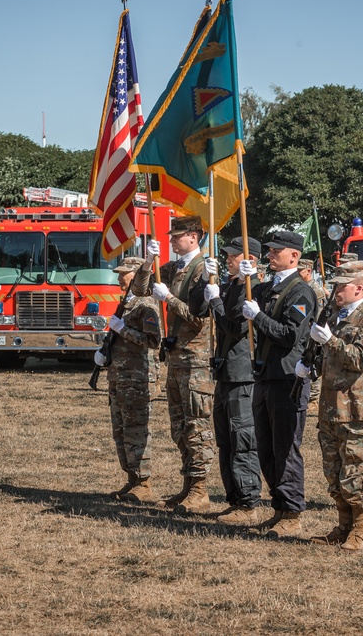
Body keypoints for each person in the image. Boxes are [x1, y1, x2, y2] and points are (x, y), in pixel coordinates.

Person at [301, 261, 363, 551]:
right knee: (333, 470)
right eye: (334, 285)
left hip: (357, 410)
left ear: (359, 288)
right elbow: (331, 360)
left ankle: (360, 530)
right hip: (330, 408)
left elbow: (360, 360)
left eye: (341, 285)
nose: (335, 290)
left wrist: (331, 341)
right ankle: (343, 525)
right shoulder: (335, 317)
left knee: (356, 471)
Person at [133, 215, 214, 512]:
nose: (170, 240)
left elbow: (199, 317)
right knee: (179, 426)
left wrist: (168, 299)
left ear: (194, 236)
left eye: (176, 236)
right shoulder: (174, 267)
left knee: (197, 424)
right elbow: (139, 290)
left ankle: (201, 489)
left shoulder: (203, 270)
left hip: (197, 358)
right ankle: (188, 485)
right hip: (177, 357)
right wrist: (148, 261)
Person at [240, 230, 317, 538]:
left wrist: (258, 317)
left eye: (276, 251)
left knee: (285, 448)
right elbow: (238, 309)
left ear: (294, 256)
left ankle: (294, 511)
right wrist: (238, 279)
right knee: (267, 448)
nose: (270, 255)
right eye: (269, 251)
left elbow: (289, 335)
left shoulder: (300, 292)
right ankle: (280, 507)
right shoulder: (266, 287)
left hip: (287, 378)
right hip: (266, 376)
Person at [194, 237, 264, 525]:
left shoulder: (254, 288)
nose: (228, 259)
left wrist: (217, 300)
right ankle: (234, 497)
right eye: (227, 255)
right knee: (225, 441)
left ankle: (248, 502)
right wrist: (203, 283)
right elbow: (198, 310)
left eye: (233, 256)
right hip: (225, 372)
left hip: (242, 373)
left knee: (243, 439)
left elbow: (234, 327)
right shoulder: (231, 284)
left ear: (251, 260)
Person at [97, 256, 161, 503]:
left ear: (136, 275)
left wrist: (122, 329)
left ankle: (144, 483)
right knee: (121, 431)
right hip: (120, 377)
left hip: (138, 379)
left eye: (123, 273)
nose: (118, 277)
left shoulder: (146, 303)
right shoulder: (127, 303)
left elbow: (154, 341)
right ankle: (132, 479)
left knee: (136, 430)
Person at [299, 258, 329, 415]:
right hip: (302, 332)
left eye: (300, 271)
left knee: (313, 362)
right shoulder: (301, 286)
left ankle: (313, 400)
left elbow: (319, 314)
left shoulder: (315, 290)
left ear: (308, 271)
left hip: (313, 332)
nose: (297, 273)